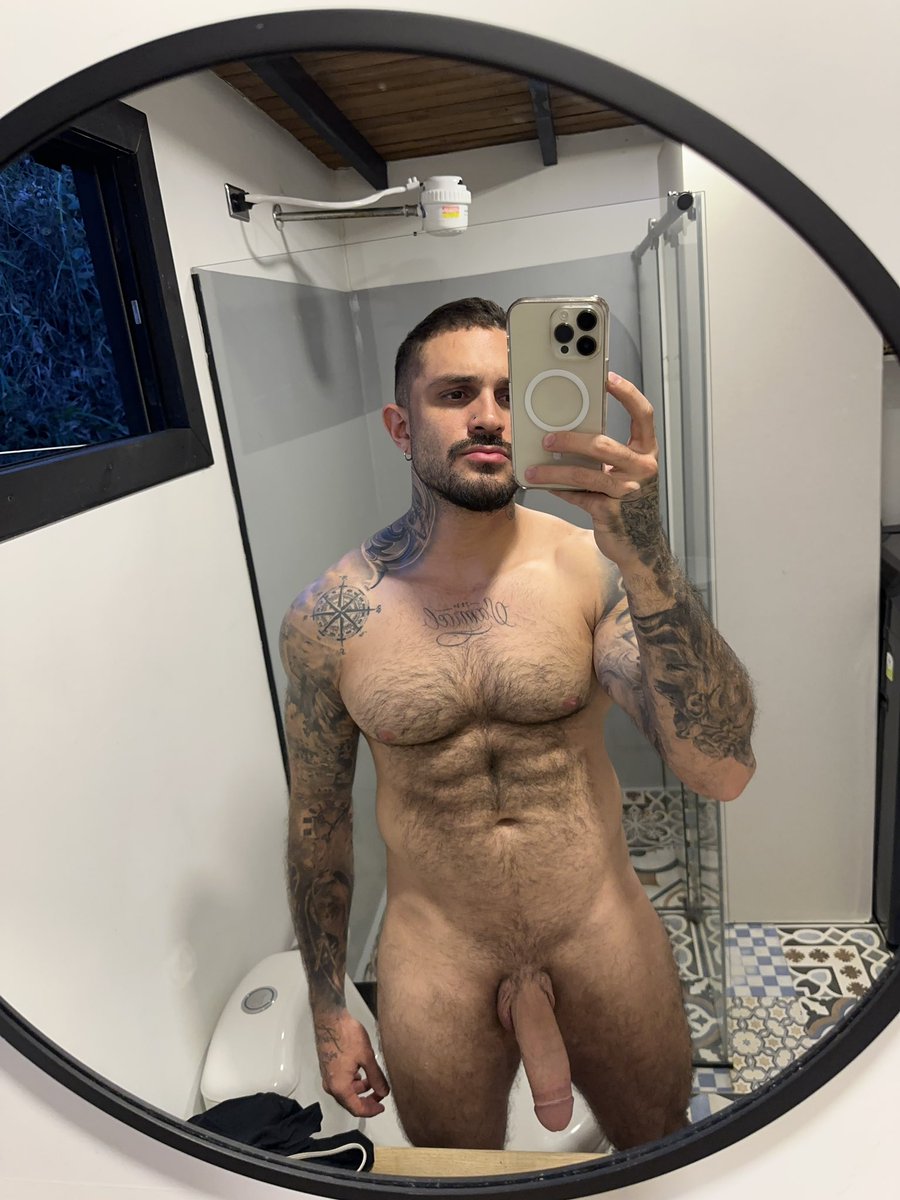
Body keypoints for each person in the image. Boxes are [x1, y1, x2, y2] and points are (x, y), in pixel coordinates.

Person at [279, 297, 756, 1152]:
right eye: (455, 393)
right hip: (439, 955)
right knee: (459, 1179)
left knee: (658, 1148)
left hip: (599, 926)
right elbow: (319, 821)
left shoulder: (589, 569)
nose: (490, 416)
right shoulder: (332, 618)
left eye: (509, 392)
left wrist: (646, 553)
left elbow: (720, 769)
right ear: (400, 426)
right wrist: (327, 1007)